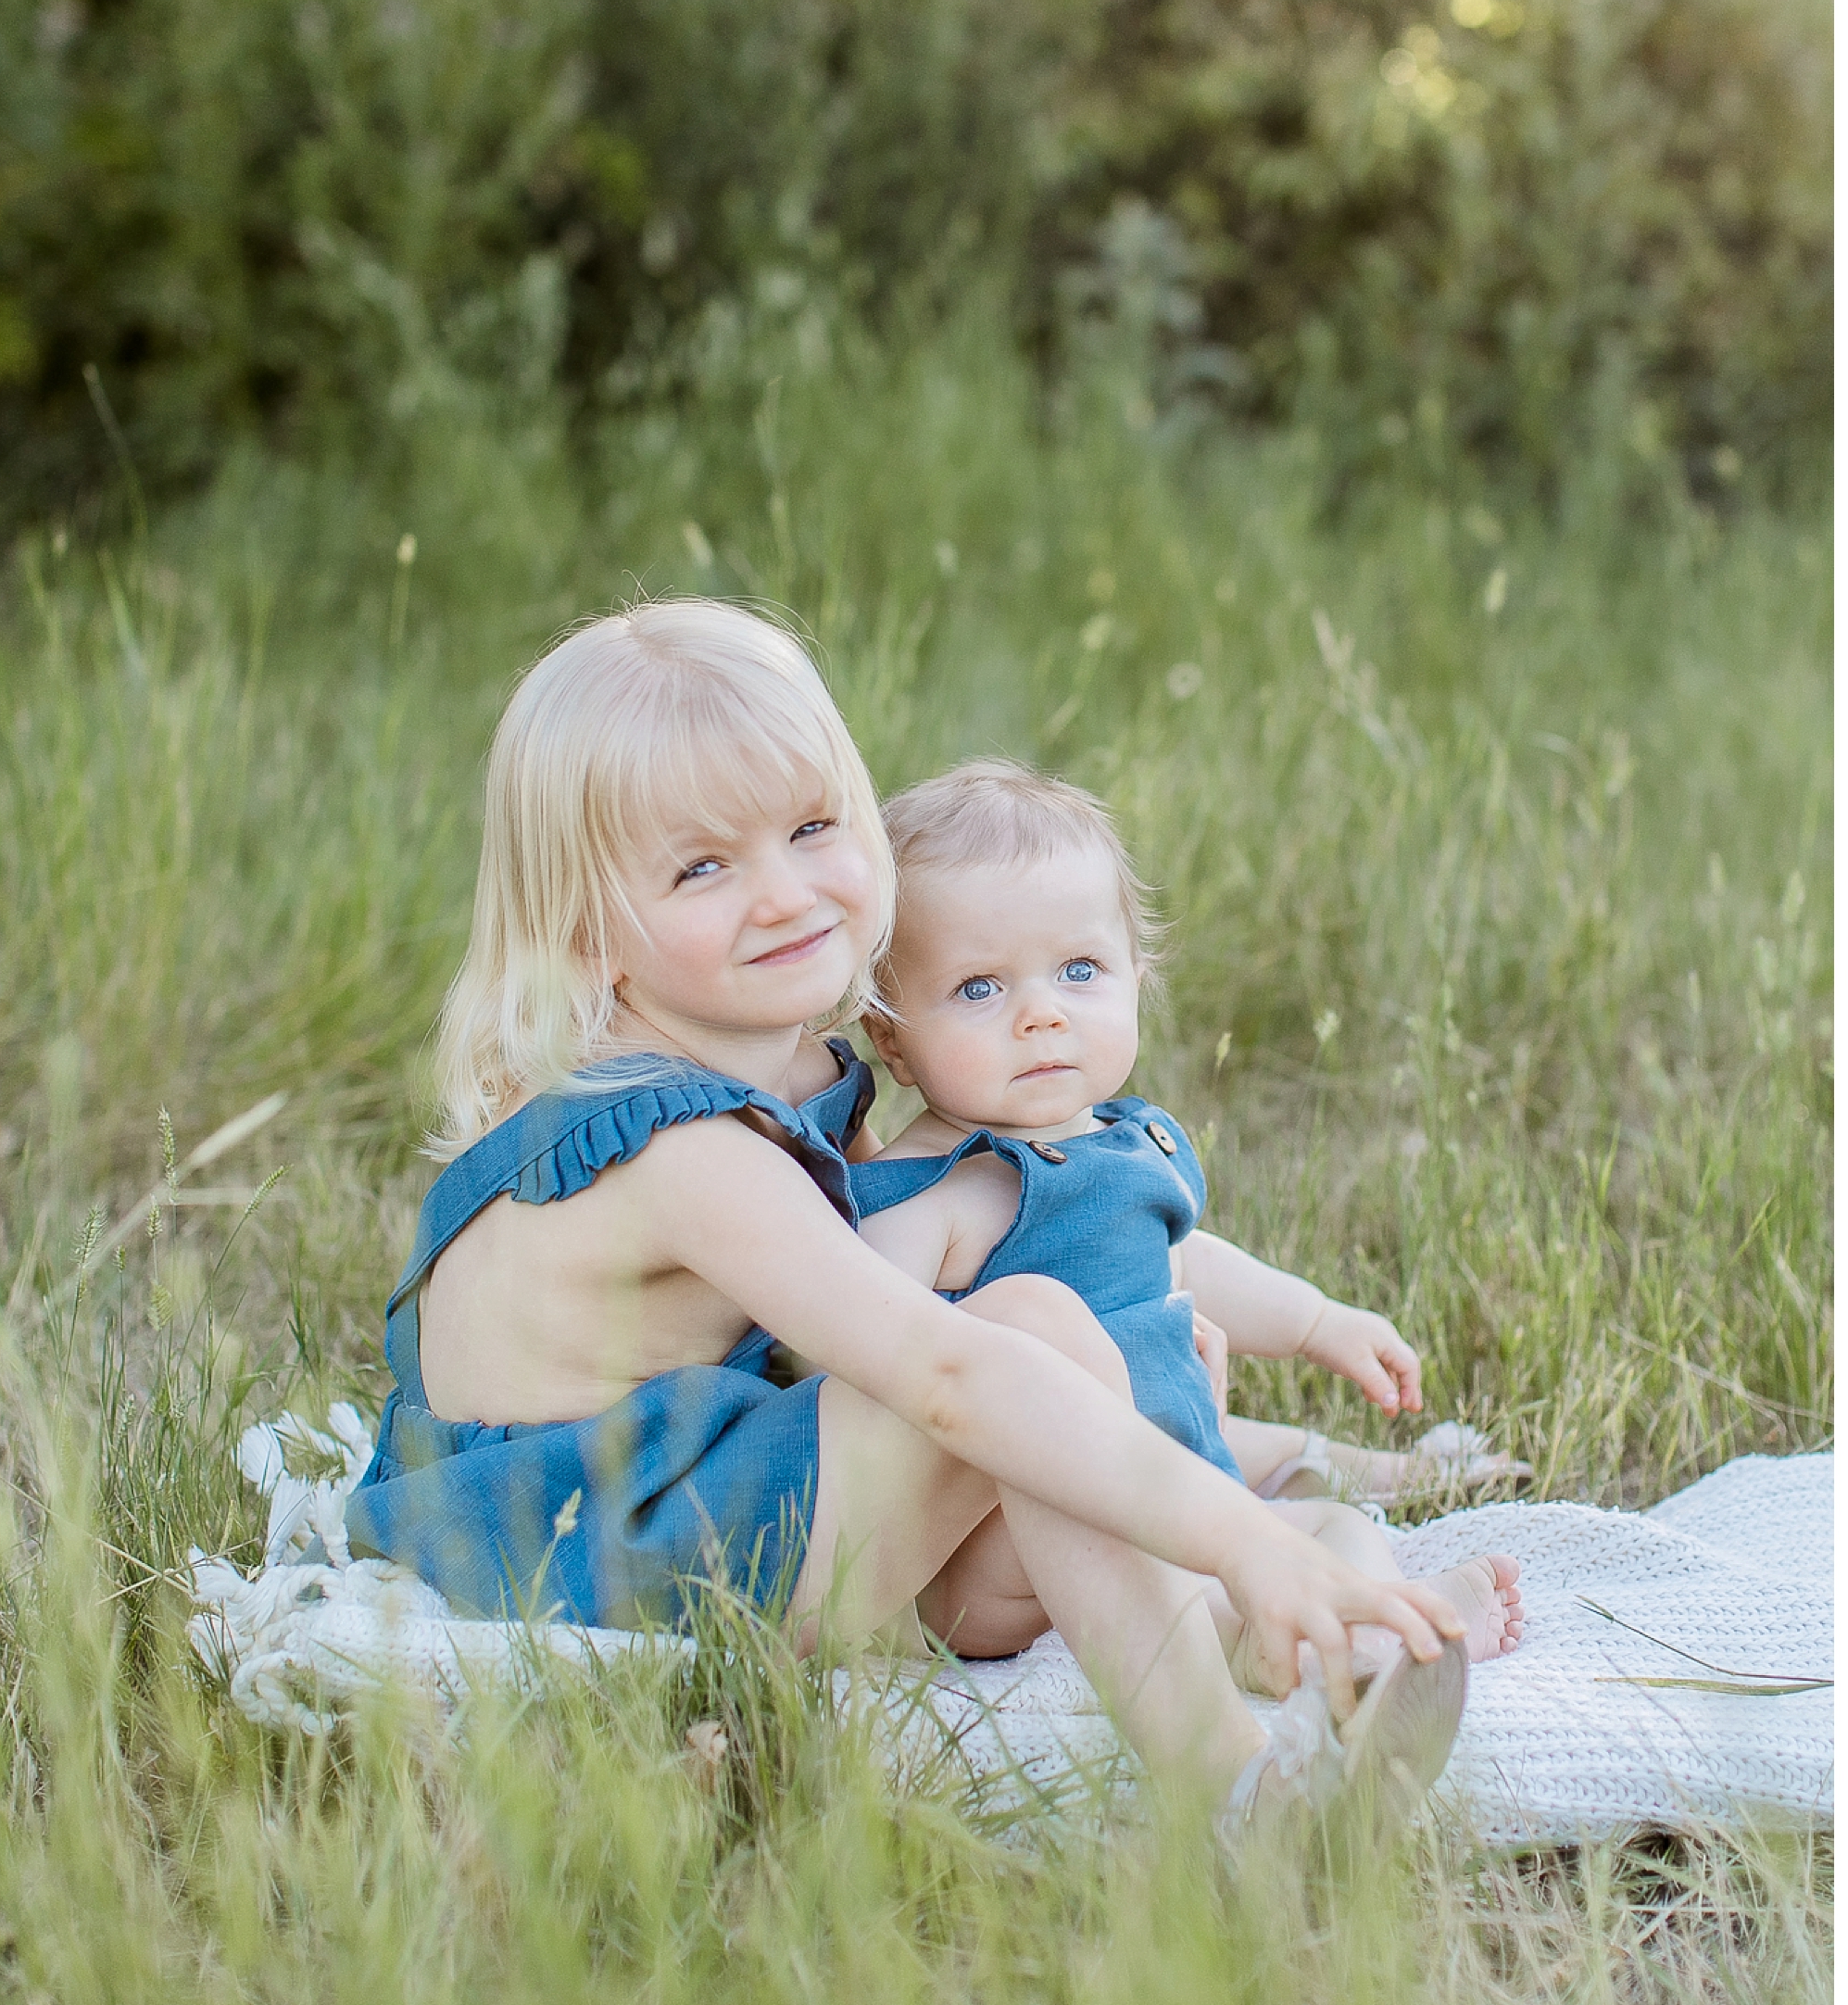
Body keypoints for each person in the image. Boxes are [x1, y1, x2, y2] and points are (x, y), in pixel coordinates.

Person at [344, 600, 1472, 1845]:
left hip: (718, 1466)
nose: (784, 893)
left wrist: (1140, 1385)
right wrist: (1238, 1533)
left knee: (1053, 1359)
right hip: (586, 1542)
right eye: (702, 866)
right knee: (1025, 1345)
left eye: (813, 826)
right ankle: (1238, 1789)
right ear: (587, 932)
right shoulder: (685, 1148)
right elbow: (941, 1371)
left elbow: (928, 1293)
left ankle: (1250, 1632)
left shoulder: (786, 1059)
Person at [847, 760, 1523, 1687]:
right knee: (1154, 1562)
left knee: (1338, 1525)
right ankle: (1270, 1644)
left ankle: (1360, 1626)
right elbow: (851, 1334)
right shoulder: (935, 1189)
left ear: (1135, 974)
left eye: (1077, 970)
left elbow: (1185, 1255)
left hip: (1177, 1481)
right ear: (891, 1038)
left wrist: (1318, 1323)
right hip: (1006, 1543)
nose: (1040, 1014)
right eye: (977, 988)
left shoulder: (1129, 1144)